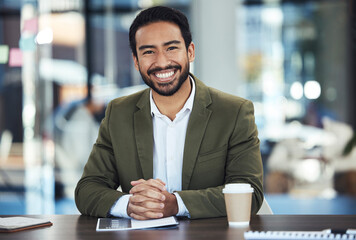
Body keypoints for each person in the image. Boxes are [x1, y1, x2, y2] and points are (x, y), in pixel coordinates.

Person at [75, 6, 263, 220]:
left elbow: (250, 194)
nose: (162, 62)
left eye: (171, 48)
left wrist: (175, 204)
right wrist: (130, 204)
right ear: (136, 61)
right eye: (148, 52)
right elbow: (87, 189)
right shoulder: (119, 113)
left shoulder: (234, 112)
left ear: (190, 51)